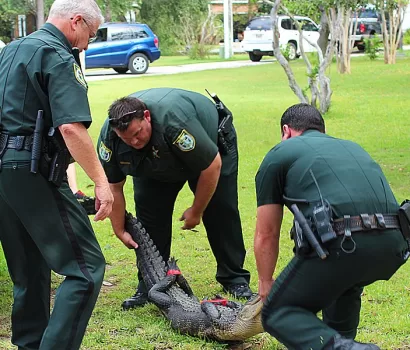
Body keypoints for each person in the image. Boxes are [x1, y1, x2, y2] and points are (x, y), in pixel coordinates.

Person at [0, 0, 114, 349]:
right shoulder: (58, 54)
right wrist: (100, 181)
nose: (86, 45)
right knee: (86, 269)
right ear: (75, 21)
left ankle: (29, 344)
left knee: (30, 271)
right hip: (32, 170)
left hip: (3, 172)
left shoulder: (10, 51)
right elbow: (70, 127)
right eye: (90, 36)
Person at [254, 103, 409, 350]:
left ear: (286, 131)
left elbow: (267, 232)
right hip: (395, 242)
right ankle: (345, 342)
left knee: (278, 311)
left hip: (345, 244)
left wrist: (265, 282)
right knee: (343, 282)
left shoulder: (280, 153)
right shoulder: (352, 147)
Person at [97, 87, 252, 309]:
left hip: (209, 149)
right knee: (150, 220)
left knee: (220, 210)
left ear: (147, 117)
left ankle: (234, 280)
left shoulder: (175, 123)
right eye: (126, 138)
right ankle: (149, 284)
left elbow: (212, 166)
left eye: (138, 132)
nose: (133, 141)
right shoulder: (110, 138)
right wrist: (119, 228)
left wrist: (196, 211)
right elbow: (114, 186)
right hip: (154, 161)